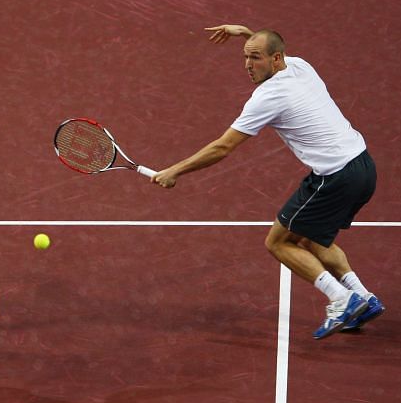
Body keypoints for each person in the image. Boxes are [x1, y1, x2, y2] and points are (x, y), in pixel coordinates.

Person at [151, 24, 384, 340]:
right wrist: (245, 33)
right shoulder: (300, 66)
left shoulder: (268, 97)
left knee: (278, 242)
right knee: (313, 238)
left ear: (276, 59)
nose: (248, 65)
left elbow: (223, 146)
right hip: (363, 167)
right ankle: (364, 298)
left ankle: (342, 299)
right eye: (246, 57)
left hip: (335, 177)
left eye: (255, 58)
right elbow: (270, 46)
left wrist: (174, 170)